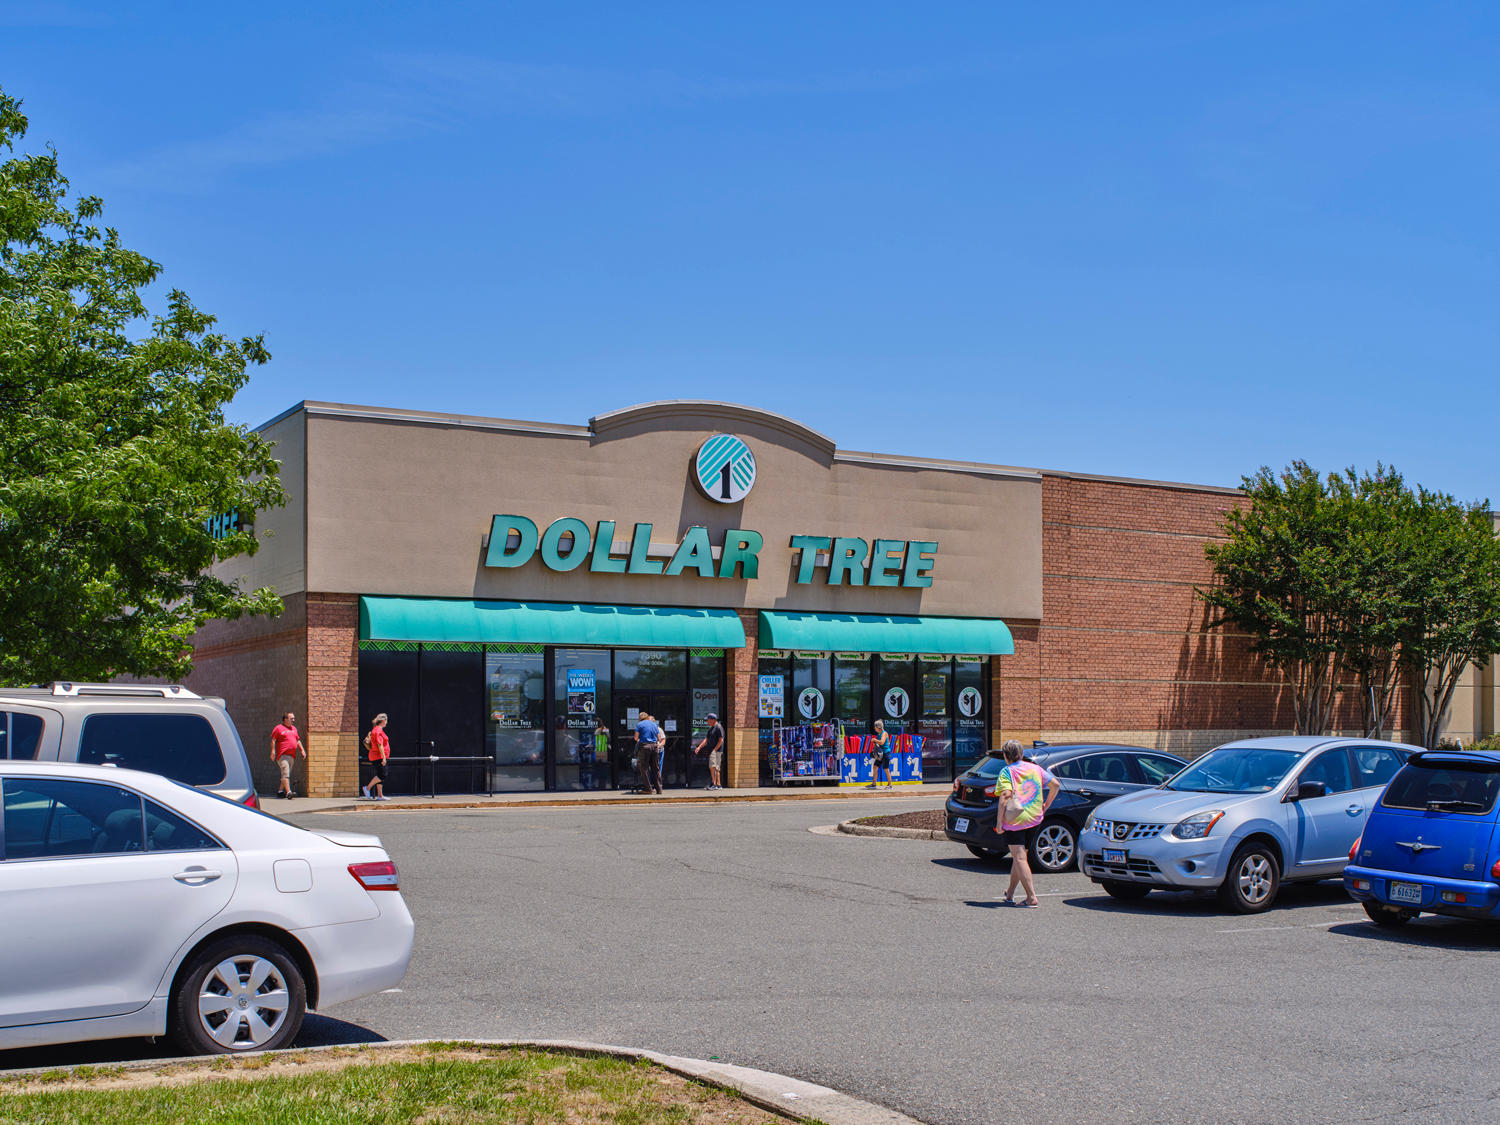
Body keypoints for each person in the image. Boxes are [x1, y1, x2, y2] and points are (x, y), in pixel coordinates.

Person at [994, 739, 1060, 907]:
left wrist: (999, 822)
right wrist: (1046, 805)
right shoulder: (1035, 768)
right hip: (1035, 818)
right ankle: (1009, 893)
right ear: (1021, 754)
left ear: (1005, 756)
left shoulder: (1006, 772)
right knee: (1020, 857)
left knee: (1019, 857)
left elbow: (1005, 796)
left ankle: (1031, 897)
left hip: (1016, 820)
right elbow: (1055, 784)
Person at [269, 711, 306, 800]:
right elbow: (273, 740)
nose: (293, 720)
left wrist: (302, 750)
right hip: (282, 756)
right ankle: (289, 792)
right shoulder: (278, 728)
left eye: (293, 718)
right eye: (291, 718)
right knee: (286, 773)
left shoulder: (294, 729)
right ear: (285, 719)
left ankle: (280, 791)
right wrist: (273, 752)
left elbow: (297, 740)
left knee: (286, 774)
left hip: (291, 756)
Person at [362, 713, 392, 801]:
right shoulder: (378, 730)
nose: (386, 722)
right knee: (383, 774)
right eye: (386, 720)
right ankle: (367, 788)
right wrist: (383, 757)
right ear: (383, 721)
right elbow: (380, 745)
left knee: (380, 775)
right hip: (378, 756)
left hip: (377, 756)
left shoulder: (377, 730)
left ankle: (380, 795)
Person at [695, 712, 726, 790]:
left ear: (713, 720)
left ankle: (715, 785)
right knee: (715, 767)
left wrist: (714, 750)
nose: (707, 722)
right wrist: (699, 747)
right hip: (713, 750)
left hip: (716, 751)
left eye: (708, 720)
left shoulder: (718, 727)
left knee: (713, 767)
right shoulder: (711, 728)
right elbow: (706, 740)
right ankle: (717, 784)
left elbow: (721, 740)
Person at [635, 711, 663, 794]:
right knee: (656, 768)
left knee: (644, 768)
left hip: (645, 747)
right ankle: (659, 789)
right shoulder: (654, 724)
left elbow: (636, 737)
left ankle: (648, 789)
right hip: (654, 747)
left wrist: (641, 740)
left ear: (640, 718)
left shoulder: (639, 725)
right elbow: (659, 738)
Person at [866, 719, 894, 789]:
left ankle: (890, 785)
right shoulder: (879, 734)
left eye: (875, 727)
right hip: (880, 754)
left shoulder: (884, 733)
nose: (874, 728)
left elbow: (882, 742)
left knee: (886, 768)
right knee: (875, 767)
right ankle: (874, 784)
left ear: (878, 727)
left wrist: (875, 740)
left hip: (885, 753)